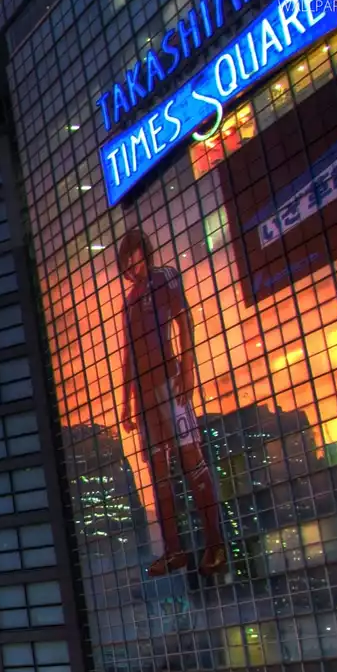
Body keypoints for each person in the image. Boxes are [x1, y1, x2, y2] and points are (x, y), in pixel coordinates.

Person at [118, 227, 228, 576]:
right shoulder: (130, 301)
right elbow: (128, 353)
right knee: (158, 470)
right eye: (126, 265)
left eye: (134, 261)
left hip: (169, 379)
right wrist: (126, 401)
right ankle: (174, 550)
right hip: (144, 394)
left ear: (144, 254)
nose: (131, 269)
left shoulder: (164, 277)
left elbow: (184, 319)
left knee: (191, 457)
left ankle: (215, 544)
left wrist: (188, 367)